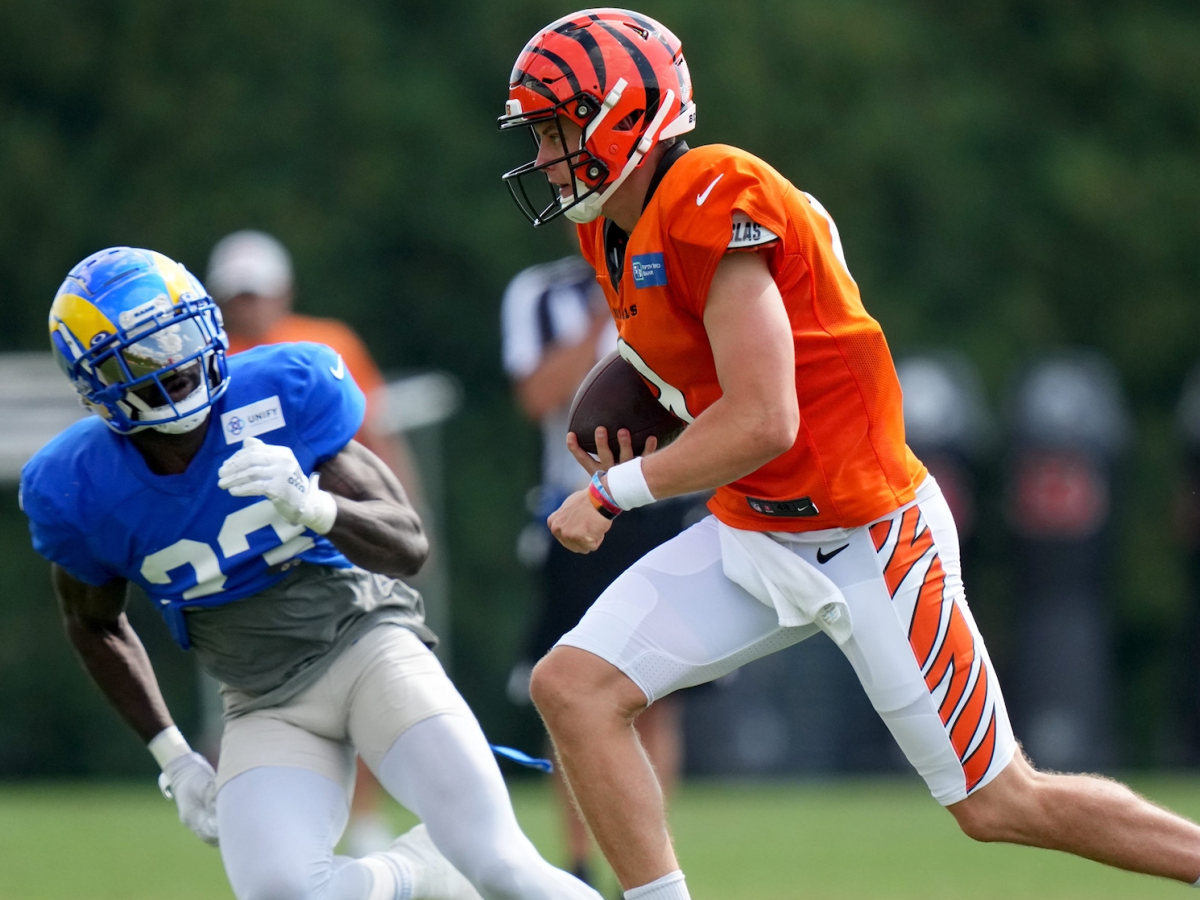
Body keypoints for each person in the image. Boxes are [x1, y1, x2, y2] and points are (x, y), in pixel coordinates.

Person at [497, 10, 1200, 900]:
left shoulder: (714, 188)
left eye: (558, 131)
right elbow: (718, 345)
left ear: (624, 115)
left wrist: (614, 492)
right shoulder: (614, 227)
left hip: (871, 539)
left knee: (1000, 804)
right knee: (574, 687)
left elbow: (764, 419)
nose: (547, 157)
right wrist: (637, 378)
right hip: (756, 534)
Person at [21, 246, 604, 900]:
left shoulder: (283, 388)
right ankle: (417, 871)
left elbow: (408, 543)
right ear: (95, 381)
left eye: (180, 336)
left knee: (502, 866)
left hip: (368, 652)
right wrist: (175, 757)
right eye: (143, 357)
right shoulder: (77, 486)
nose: (176, 365)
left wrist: (315, 504)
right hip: (261, 702)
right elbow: (92, 622)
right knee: (281, 893)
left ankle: (448, 865)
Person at [206, 228, 421, 854]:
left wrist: (401, 518)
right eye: (239, 296)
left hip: (337, 531)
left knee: (376, 680)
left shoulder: (327, 344)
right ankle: (289, 821)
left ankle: (366, 819)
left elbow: (375, 435)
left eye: (259, 294)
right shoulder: (208, 364)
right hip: (252, 555)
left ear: (285, 292)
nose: (250, 307)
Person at [501, 253, 697, 883]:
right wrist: (601, 318)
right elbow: (536, 395)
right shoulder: (540, 292)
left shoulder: (676, 265)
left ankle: (645, 869)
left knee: (658, 695)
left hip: (662, 504)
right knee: (572, 685)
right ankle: (582, 863)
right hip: (579, 504)